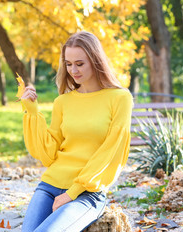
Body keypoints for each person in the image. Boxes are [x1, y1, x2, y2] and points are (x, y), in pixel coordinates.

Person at [20, 31, 133, 232]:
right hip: (49, 185)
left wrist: (72, 193)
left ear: (96, 60)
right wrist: (32, 111)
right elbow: (49, 154)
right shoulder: (62, 102)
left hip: (87, 193)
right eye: (68, 64)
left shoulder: (120, 98)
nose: (73, 70)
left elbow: (111, 153)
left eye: (80, 64)